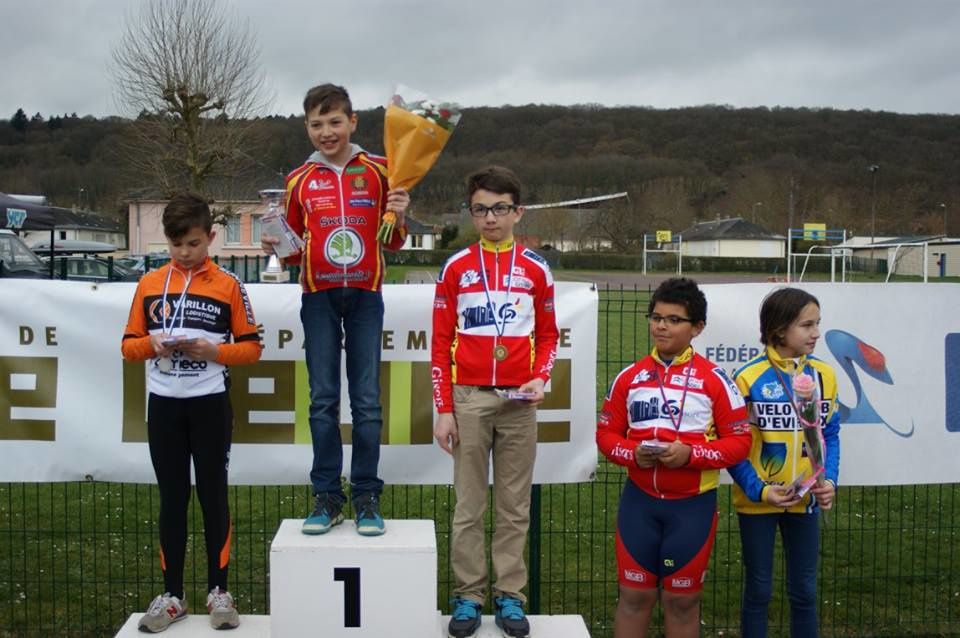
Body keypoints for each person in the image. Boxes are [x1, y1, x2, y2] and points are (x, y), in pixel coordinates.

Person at [261, 83, 410, 537]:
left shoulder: (382, 170)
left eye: (334, 122)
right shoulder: (297, 180)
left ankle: (366, 494)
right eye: (316, 124)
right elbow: (291, 251)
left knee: (366, 402)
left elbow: (394, 243)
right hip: (317, 297)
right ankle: (327, 496)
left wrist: (399, 217)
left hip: (366, 294)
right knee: (323, 400)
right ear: (306, 127)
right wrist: (275, 243)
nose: (326, 132)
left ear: (353, 122)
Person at [121, 193, 262, 633]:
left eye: (195, 244)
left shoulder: (228, 286)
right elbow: (128, 346)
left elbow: (253, 348)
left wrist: (213, 351)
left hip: (209, 404)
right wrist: (152, 345)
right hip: (163, 404)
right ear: (168, 241)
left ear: (211, 238)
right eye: (177, 244)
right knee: (172, 498)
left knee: (213, 495)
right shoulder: (148, 284)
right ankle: (172, 596)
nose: (185, 253)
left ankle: (219, 591)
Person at [431, 166, 559, 638]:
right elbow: (440, 342)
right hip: (469, 398)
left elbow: (548, 336)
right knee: (469, 505)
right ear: (472, 212)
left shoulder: (536, 268)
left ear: (517, 212)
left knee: (514, 505)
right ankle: (468, 597)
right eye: (481, 209)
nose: (490, 218)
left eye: (500, 208)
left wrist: (541, 378)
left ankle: (510, 596)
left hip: (520, 400)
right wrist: (444, 407)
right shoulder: (456, 267)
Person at [596, 277, 752, 638]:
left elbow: (740, 443)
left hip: (691, 507)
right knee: (634, 595)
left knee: (682, 603)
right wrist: (631, 454)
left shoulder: (715, 380)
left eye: (673, 319)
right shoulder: (629, 378)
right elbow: (606, 435)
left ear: (697, 328)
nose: (661, 326)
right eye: (656, 317)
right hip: (640, 503)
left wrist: (691, 455)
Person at [728, 287, 840, 638]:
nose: (816, 333)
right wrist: (759, 491)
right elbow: (734, 446)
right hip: (759, 502)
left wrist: (829, 481)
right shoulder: (748, 378)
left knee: (804, 592)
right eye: (807, 325)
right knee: (759, 590)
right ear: (779, 330)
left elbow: (830, 434)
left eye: (817, 324)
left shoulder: (825, 375)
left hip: (806, 499)